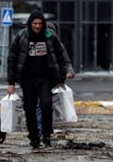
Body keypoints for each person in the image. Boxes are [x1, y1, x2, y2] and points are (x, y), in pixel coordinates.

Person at [7, 10, 74, 149]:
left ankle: (46, 135)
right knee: (29, 109)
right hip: (27, 79)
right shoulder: (21, 37)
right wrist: (10, 82)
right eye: (35, 23)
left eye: (40, 23)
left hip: (45, 78)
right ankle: (34, 137)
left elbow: (60, 57)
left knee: (46, 105)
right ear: (30, 24)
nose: (37, 26)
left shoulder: (50, 36)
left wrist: (62, 77)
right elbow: (12, 59)